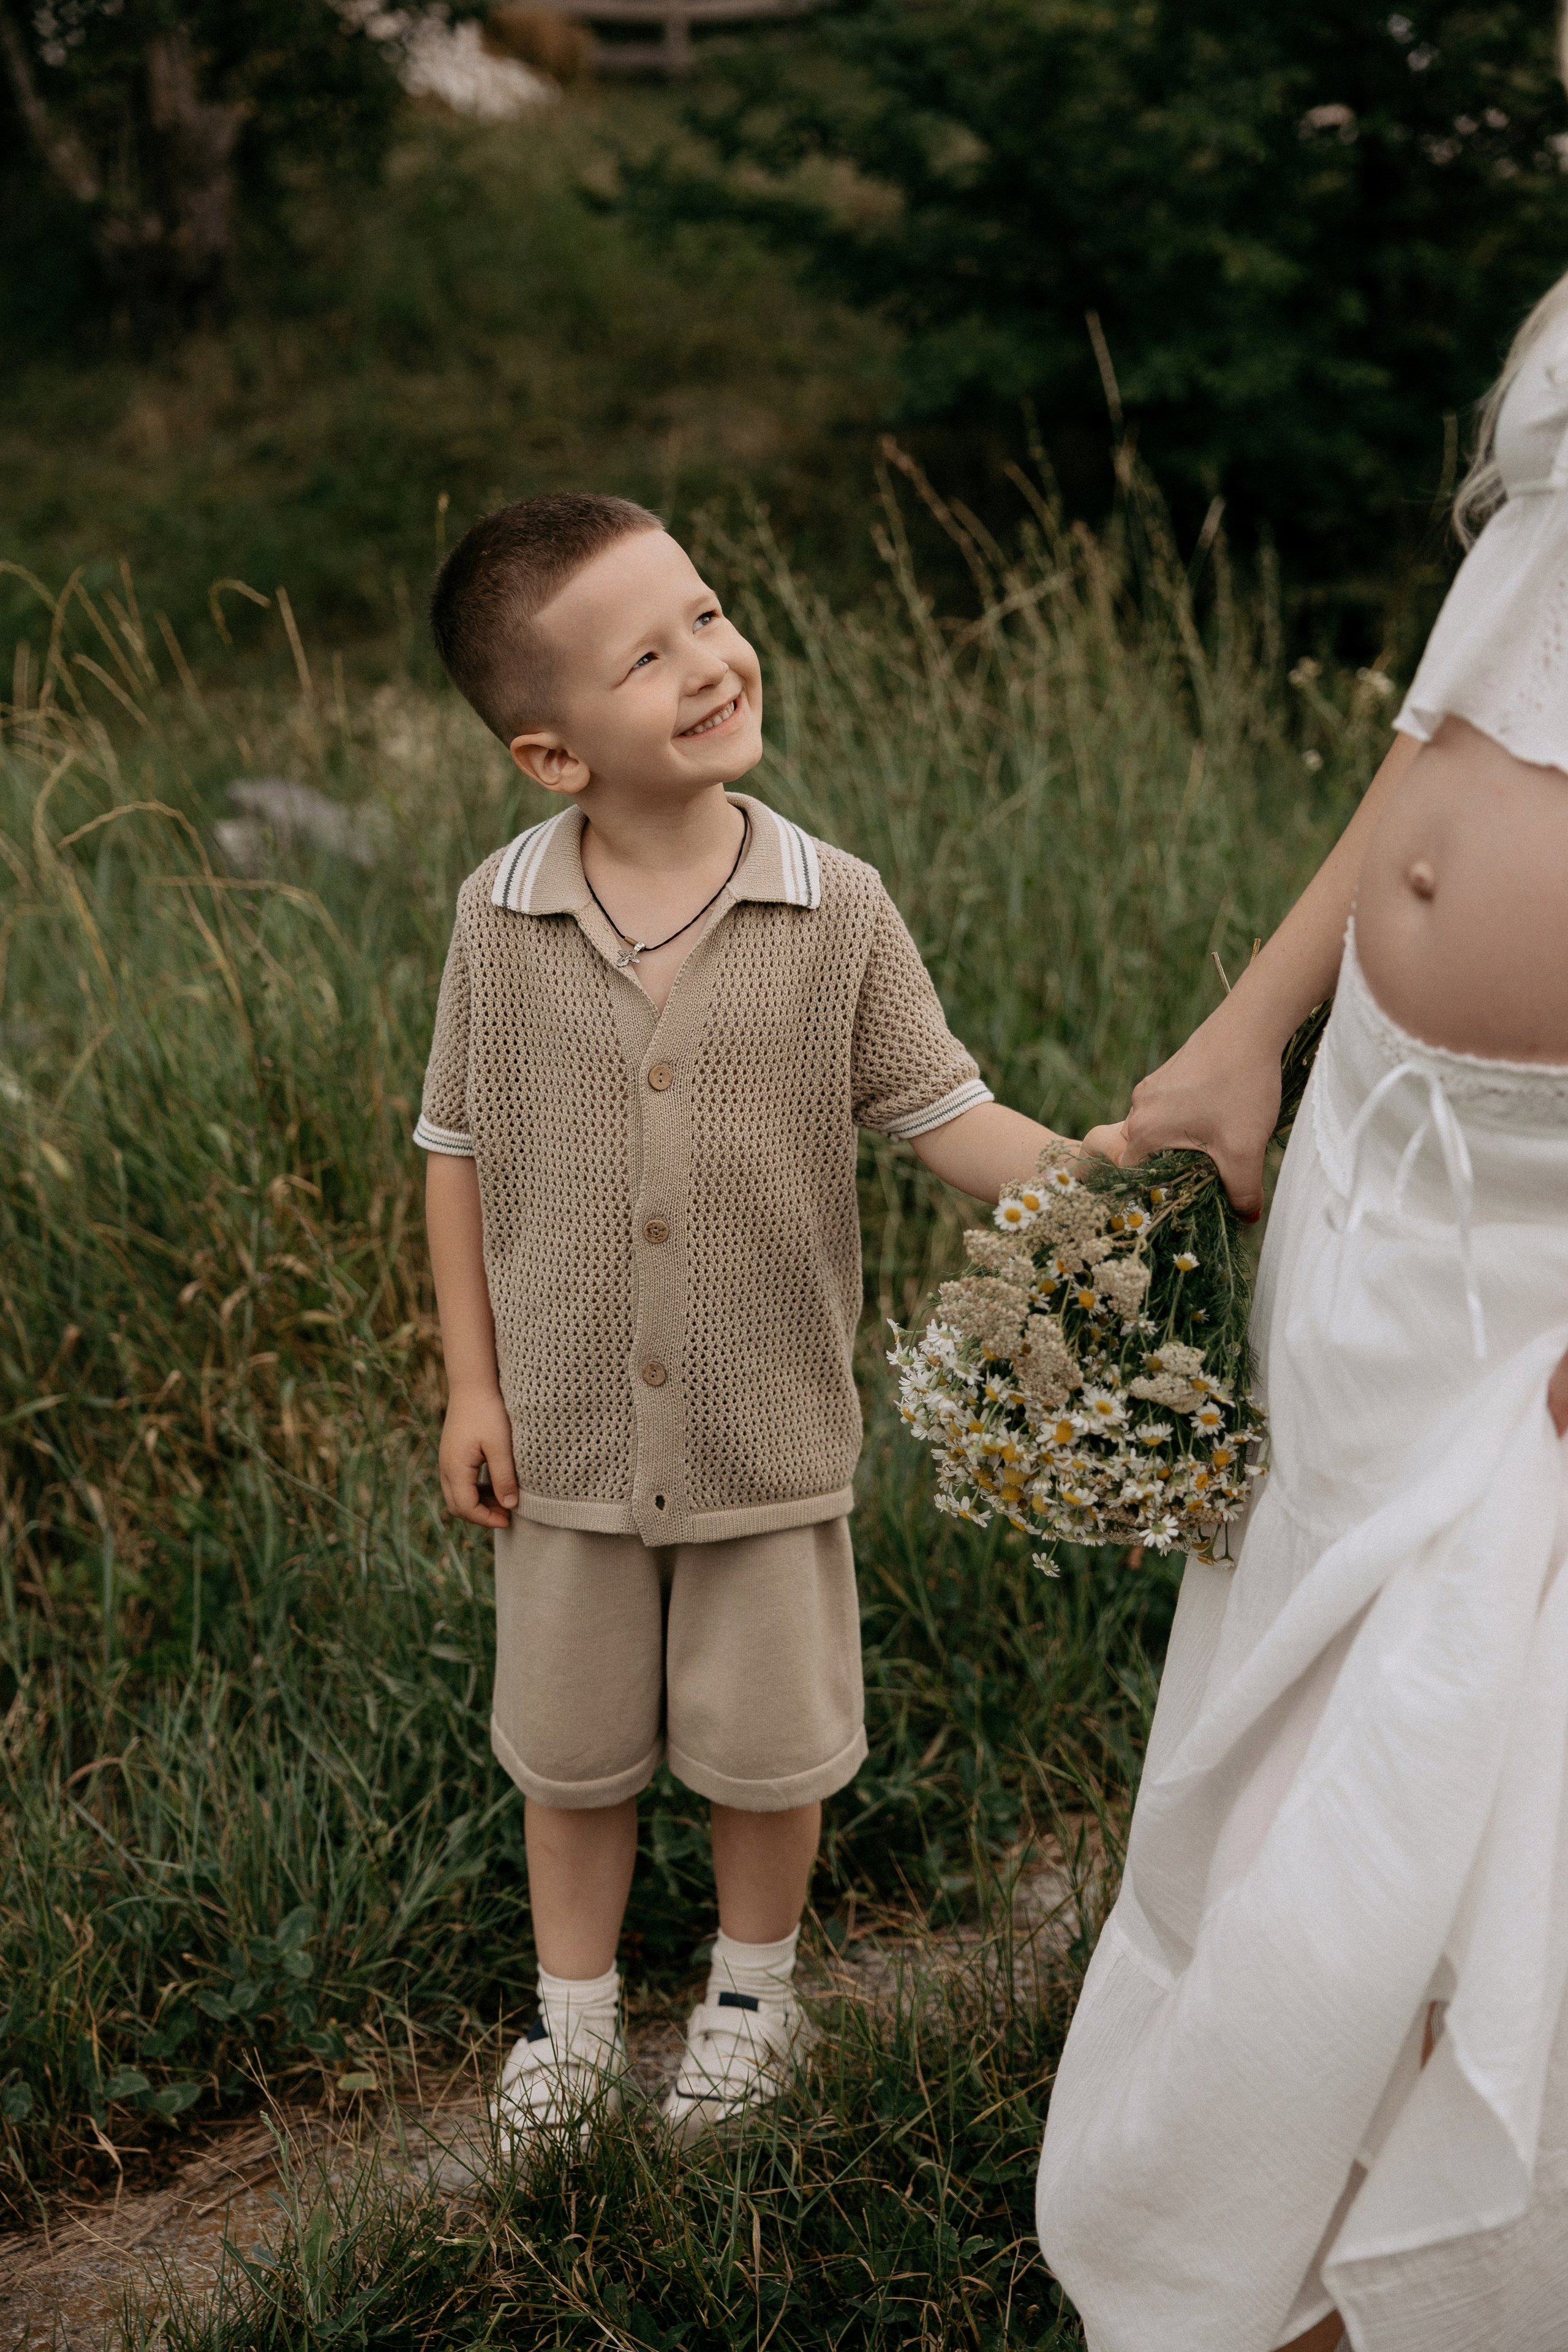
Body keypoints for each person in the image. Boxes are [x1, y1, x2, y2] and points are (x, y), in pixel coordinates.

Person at [1035, 53, 1568, 2349]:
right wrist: (1259, 1023)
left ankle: (1438, 2271)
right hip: (1379, 1153)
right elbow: (1436, 749)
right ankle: (1271, 2225)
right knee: (1299, 1720)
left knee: (1481, 1772)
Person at [416, 492, 1101, 2146]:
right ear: (555, 756)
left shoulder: (833, 903)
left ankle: (750, 1999)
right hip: (570, 1427)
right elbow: (455, 1147)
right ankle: (572, 2029)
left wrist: (1106, 1189)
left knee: (764, 1744)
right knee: (571, 1753)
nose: (710, 662)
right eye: (647, 657)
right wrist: (471, 1386)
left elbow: (948, 1118)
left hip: (766, 1422)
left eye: (708, 616)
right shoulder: (498, 916)